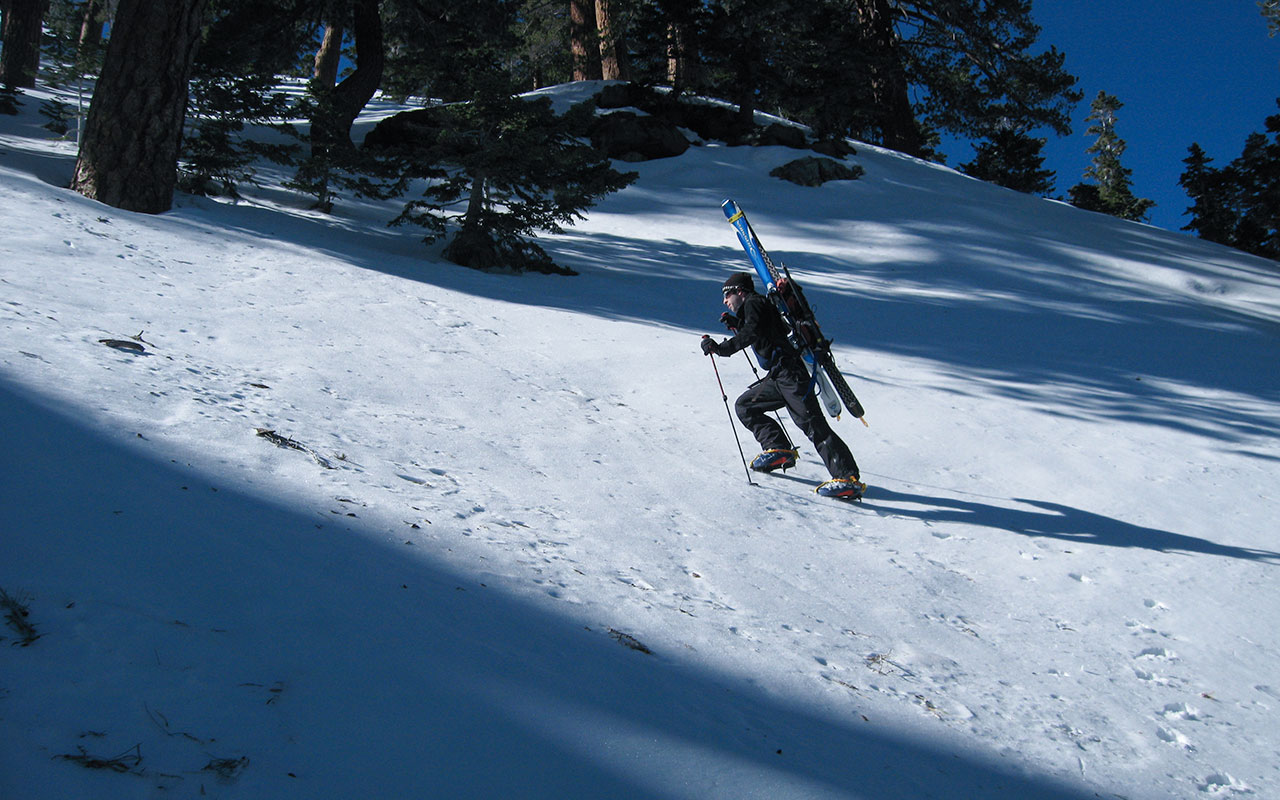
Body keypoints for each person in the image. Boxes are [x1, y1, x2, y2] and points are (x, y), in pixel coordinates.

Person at [701, 271, 865, 498]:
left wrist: (721, 349)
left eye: (727, 295)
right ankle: (778, 449)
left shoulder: (755, 303)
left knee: (812, 425)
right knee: (746, 406)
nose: (725, 301)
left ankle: (847, 478)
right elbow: (765, 330)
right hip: (779, 377)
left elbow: (752, 332)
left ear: (740, 291)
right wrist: (738, 322)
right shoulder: (756, 307)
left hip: (790, 375)